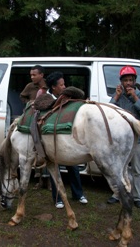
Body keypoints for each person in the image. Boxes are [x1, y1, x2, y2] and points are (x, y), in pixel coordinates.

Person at [107, 65, 140, 209]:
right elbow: (109, 111)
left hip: (136, 139)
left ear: (134, 81)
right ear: (121, 81)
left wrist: (135, 97)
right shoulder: (118, 95)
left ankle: (138, 197)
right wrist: (117, 96)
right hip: (121, 139)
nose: (128, 83)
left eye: (130, 80)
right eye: (125, 80)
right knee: (120, 169)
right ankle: (118, 194)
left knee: (137, 169)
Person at [45, 71, 88, 209]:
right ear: (53, 87)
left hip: (67, 139)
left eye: (64, 84)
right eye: (61, 84)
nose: (64, 87)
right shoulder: (46, 99)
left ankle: (78, 194)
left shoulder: (68, 97)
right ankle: (58, 198)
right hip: (52, 140)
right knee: (55, 168)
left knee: (73, 166)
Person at [19, 65, 50, 190]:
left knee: (46, 150)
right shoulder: (29, 86)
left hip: (45, 120)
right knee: (35, 150)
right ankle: (40, 180)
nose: (32, 77)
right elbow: (22, 96)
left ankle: (49, 181)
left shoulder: (49, 86)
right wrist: (29, 102)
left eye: (34, 75)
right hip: (33, 119)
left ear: (41, 75)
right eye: (31, 75)